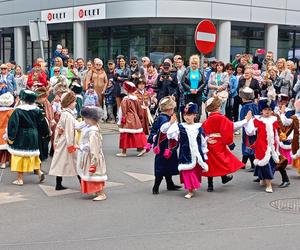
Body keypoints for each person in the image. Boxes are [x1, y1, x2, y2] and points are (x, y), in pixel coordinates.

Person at [202, 96, 250, 192]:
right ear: (217, 107)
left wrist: (206, 139)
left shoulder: (207, 120)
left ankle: (210, 185)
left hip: (210, 143)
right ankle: (224, 177)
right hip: (219, 143)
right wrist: (245, 120)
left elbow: (202, 132)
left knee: (211, 163)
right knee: (223, 160)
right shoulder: (221, 118)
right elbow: (231, 127)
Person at [162, 102, 209, 199]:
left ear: (195, 115)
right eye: (185, 115)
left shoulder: (199, 127)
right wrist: (172, 123)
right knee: (187, 171)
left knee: (195, 170)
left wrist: (204, 154)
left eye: (189, 115)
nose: (187, 117)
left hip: (197, 154)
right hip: (185, 154)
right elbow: (168, 133)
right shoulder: (180, 127)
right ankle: (190, 190)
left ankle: (192, 187)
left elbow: (203, 141)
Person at [7, 90, 49, 185]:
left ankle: (20, 179)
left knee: (19, 155)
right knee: (33, 154)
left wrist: (11, 137)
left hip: (21, 135)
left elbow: (13, 125)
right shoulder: (37, 110)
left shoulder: (18, 111)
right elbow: (42, 123)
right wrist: (44, 134)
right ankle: (39, 172)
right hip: (34, 134)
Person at [245, 97, 281, 193]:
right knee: (265, 164)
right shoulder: (257, 120)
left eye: (269, 109)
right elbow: (250, 132)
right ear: (261, 110)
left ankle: (262, 177)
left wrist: (278, 147)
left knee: (272, 164)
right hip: (262, 146)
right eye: (265, 109)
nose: (267, 111)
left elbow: (276, 134)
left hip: (273, 146)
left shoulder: (274, 120)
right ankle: (269, 184)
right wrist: (247, 121)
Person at [146, 96, 181, 194]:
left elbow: (153, 130)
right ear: (169, 109)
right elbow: (163, 130)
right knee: (162, 166)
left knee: (167, 165)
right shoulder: (164, 119)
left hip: (166, 146)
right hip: (164, 146)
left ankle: (170, 183)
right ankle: (155, 187)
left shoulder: (161, 117)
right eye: (172, 109)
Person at [49, 92, 79, 190]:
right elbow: (69, 131)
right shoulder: (68, 115)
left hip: (62, 141)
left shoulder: (64, 113)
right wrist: (71, 145)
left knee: (60, 163)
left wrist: (56, 141)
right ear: (69, 102)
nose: (75, 104)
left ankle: (58, 184)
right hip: (67, 142)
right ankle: (83, 183)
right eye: (74, 102)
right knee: (76, 162)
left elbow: (59, 128)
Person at [77, 107, 108, 201]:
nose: (84, 120)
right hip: (90, 155)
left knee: (96, 174)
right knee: (92, 175)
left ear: (90, 119)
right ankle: (97, 191)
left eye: (85, 118)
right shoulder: (91, 127)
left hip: (92, 156)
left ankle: (101, 193)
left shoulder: (93, 131)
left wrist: (93, 161)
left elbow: (93, 147)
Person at [117, 81, 147, 157]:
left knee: (125, 135)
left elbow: (123, 111)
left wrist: (121, 120)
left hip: (128, 118)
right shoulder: (136, 99)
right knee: (137, 134)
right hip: (135, 118)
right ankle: (142, 147)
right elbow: (139, 110)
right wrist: (140, 117)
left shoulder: (125, 99)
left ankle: (124, 152)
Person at [239, 87, 259, 172]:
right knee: (251, 144)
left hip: (247, 129)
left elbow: (242, 119)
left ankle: (253, 165)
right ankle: (243, 164)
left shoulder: (245, 107)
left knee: (248, 145)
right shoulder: (254, 105)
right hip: (255, 128)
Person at [181, 55, 205, 121]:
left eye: (195, 63)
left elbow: (204, 82)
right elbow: (182, 82)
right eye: (192, 63)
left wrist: (198, 89)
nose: (194, 65)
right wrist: (189, 89)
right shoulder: (187, 71)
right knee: (189, 109)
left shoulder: (201, 71)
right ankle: (188, 121)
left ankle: (196, 122)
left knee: (198, 110)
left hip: (198, 93)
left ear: (198, 64)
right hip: (188, 93)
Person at [0, 93, 14, 169]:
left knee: (2, 148)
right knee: (6, 148)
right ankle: (4, 162)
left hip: (0, 130)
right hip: (7, 131)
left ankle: (4, 162)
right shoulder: (11, 111)